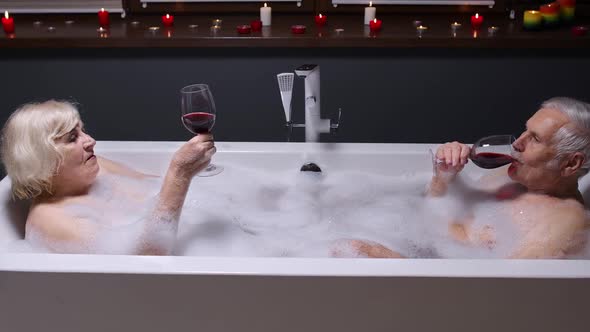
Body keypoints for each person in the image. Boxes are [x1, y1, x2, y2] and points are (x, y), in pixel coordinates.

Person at [338, 97, 590, 259]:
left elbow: (500, 292)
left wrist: (390, 259)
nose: (517, 143)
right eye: (525, 130)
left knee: (348, 251)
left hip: (442, 293)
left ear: (571, 163)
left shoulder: (565, 223)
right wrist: (443, 177)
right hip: (424, 258)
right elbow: (433, 213)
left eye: (535, 138)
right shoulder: (506, 176)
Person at [0, 100, 216, 255]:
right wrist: (179, 172)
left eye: (83, 131)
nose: (90, 140)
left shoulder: (95, 167)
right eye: (72, 138)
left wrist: (192, 170)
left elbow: (154, 184)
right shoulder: (49, 220)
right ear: (41, 158)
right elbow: (147, 254)